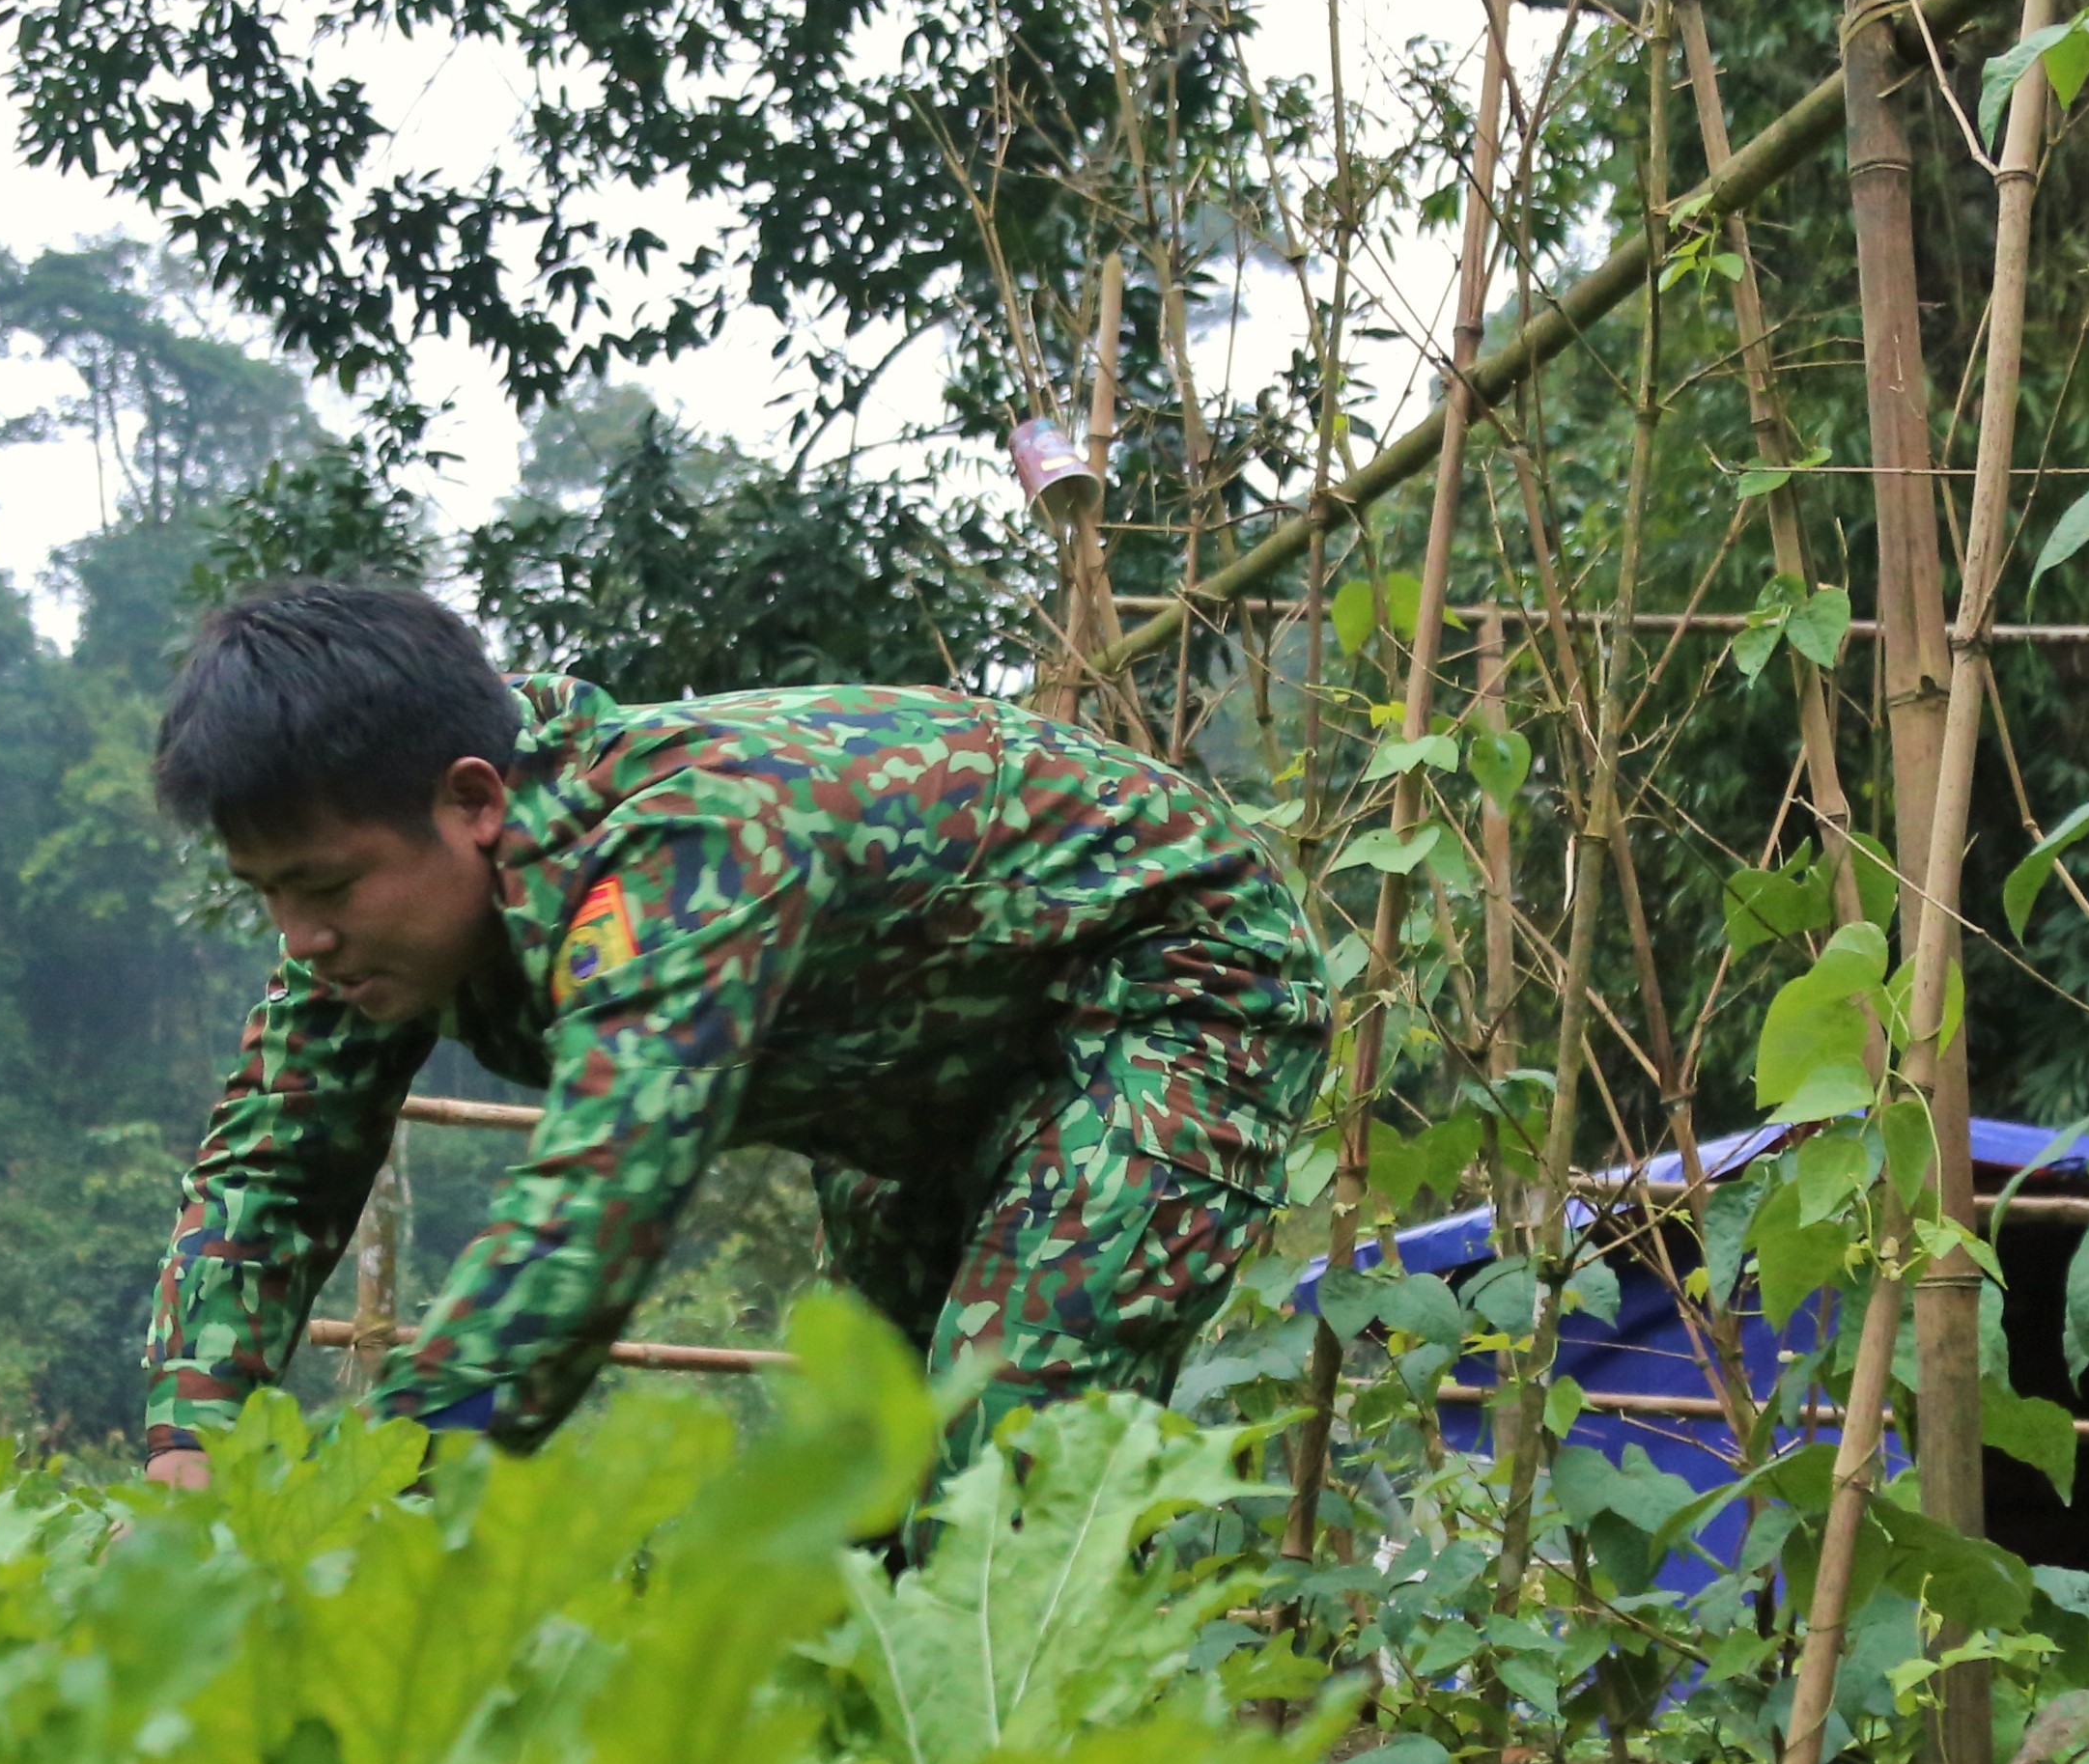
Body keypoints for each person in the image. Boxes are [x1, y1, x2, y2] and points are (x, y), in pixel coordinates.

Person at [136, 578, 1305, 1478]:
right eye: (269, 894)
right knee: (868, 1485)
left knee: (1009, 1454)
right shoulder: (372, 924)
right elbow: (274, 1159)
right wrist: (187, 1446)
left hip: (1166, 976)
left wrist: (362, 1499)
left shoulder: (679, 853)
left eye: (328, 890)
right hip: (923, 1076)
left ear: (475, 799)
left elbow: (590, 1217)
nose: (300, 936)